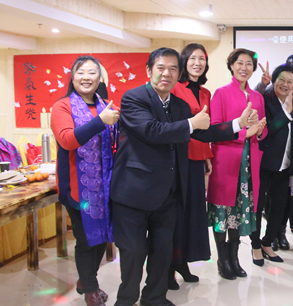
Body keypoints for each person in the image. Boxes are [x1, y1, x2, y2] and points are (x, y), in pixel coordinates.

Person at [111, 48, 254, 306]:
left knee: (162, 250)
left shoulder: (179, 105)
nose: (166, 73)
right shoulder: (134, 98)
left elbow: (203, 132)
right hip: (134, 192)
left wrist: (237, 124)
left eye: (173, 69)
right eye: (161, 68)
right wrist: (191, 124)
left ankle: (154, 298)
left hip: (168, 193)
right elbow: (152, 131)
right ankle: (126, 300)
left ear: (179, 74)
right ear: (149, 70)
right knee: (133, 252)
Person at [51, 55, 119, 306]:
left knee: (102, 236)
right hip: (76, 188)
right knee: (86, 239)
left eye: (92, 73)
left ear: (100, 78)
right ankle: (90, 289)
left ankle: (85, 280)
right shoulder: (62, 106)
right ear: (72, 77)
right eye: (81, 72)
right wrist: (101, 122)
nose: (86, 77)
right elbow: (67, 140)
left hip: (104, 185)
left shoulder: (104, 105)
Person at [207, 48, 268, 280]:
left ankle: (234, 258)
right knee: (223, 212)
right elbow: (215, 128)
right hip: (226, 162)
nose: (244, 67)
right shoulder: (221, 94)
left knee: (239, 211)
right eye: (239, 63)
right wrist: (244, 132)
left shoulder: (258, 97)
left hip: (250, 164)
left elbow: (263, 131)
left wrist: (259, 130)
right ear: (231, 66)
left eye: (249, 64)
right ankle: (223, 260)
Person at [166, 43, 212, 289]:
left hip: (196, 160)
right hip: (177, 159)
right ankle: (168, 268)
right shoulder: (174, 87)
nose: (197, 63)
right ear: (184, 61)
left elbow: (205, 128)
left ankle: (182, 262)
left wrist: (207, 155)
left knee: (193, 214)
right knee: (175, 215)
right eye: (192, 58)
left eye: (201, 59)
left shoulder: (205, 93)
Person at [250, 64, 293, 264]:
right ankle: (255, 245)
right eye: (281, 79)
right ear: (274, 81)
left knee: (279, 206)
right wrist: (286, 114)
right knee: (258, 207)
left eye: (290, 81)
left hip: (285, 165)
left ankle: (267, 241)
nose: (285, 84)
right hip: (264, 164)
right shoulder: (265, 101)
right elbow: (266, 131)